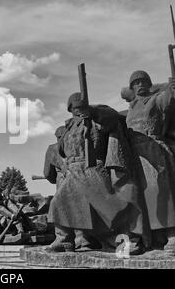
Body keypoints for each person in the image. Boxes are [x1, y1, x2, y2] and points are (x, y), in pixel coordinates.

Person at [47, 92, 142, 253]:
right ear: (70, 109)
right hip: (73, 170)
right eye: (75, 108)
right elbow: (62, 149)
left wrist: (92, 112)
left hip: (92, 167)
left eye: (81, 106)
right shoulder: (70, 126)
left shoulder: (96, 118)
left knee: (106, 206)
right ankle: (64, 240)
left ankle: (124, 240)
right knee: (59, 202)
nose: (78, 110)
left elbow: (113, 119)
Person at [125, 70, 175, 249]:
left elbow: (168, 101)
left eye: (143, 81)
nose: (139, 85)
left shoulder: (157, 99)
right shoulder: (131, 107)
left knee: (161, 192)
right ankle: (146, 238)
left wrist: (171, 87)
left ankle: (171, 234)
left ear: (149, 84)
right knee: (140, 197)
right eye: (135, 83)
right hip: (135, 156)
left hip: (154, 150)